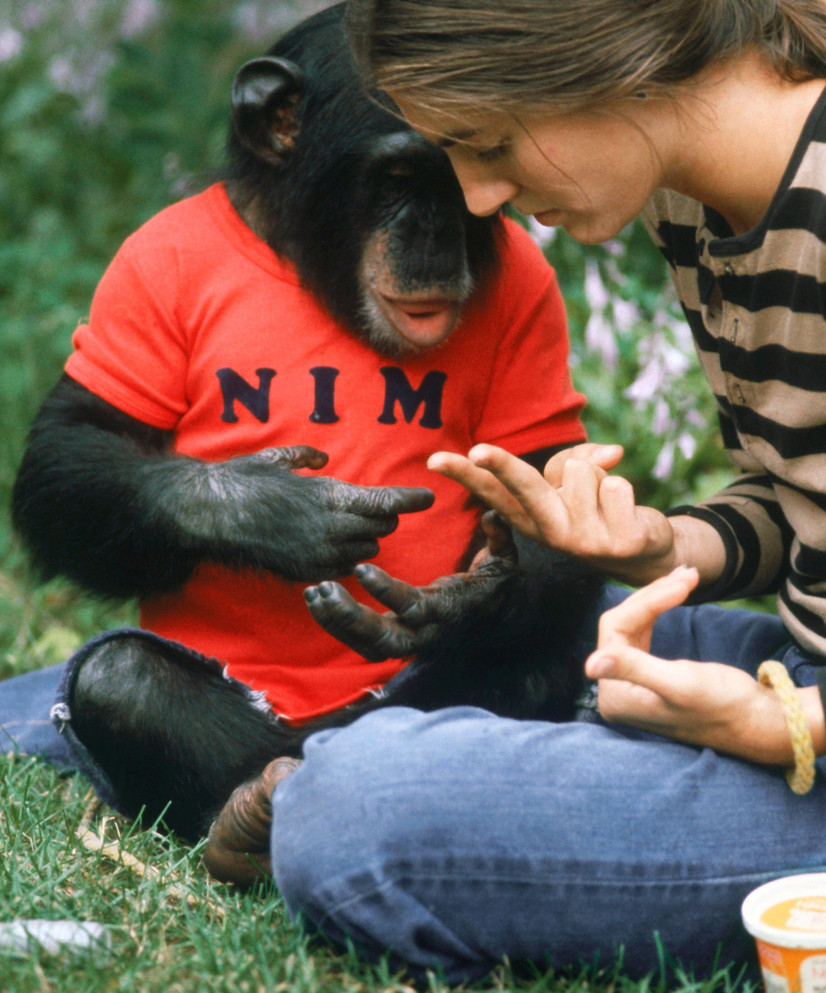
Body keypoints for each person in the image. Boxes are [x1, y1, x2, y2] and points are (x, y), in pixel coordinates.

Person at [203, 0, 826, 983]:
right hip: (803, 665)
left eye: (489, 145)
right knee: (545, 627)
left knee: (356, 812)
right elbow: (802, 496)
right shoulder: (698, 201)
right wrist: (668, 547)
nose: (480, 200)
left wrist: (788, 726)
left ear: (608, 62)